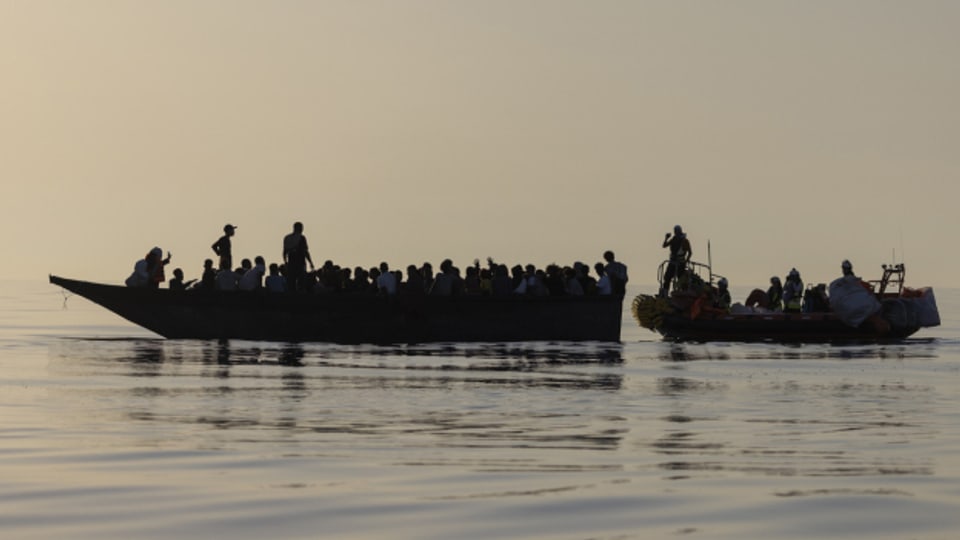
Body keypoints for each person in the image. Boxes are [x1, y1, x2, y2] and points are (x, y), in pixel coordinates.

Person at [283, 222, 315, 292]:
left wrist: (285, 262)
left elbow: (284, 252)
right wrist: (310, 262)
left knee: (291, 282)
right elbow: (305, 251)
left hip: (291, 261)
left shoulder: (287, 238)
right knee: (301, 281)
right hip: (300, 261)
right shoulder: (301, 238)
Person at [660, 225, 691, 297]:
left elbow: (690, 252)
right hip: (672, 262)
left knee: (681, 280)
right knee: (667, 277)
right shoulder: (673, 239)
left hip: (681, 263)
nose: (676, 233)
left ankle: (682, 294)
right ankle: (665, 294)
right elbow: (664, 245)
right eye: (675, 231)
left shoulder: (685, 241)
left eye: (677, 231)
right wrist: (666, 238)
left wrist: (686, 261)